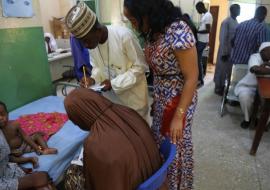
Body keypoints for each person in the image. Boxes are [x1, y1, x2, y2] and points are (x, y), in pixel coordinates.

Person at [124, 0, 198, 189]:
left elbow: (192, 77)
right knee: (160, 141)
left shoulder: (178, 30)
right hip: (161, 96)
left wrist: (178, 116)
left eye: (133, 19)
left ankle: (177, 185)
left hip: (178, 99)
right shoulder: (153, 31)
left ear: (147, 12)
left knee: (175, 144)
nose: (132, 24)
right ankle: (164, 183)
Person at [64, 88, 163, 190]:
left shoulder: (95, 144)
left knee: (71, 179)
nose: (76, 123)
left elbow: (98, 182)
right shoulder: (128, 111)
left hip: (135, 184)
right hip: (154, 179)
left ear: (80, 116)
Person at [65, 2, 149, 120]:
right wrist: (93, 79)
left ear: (98, 30)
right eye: (82, 42)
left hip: (133, 102)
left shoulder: (124, 36)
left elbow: (141, 67)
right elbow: (97, 67)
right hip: (112, 102)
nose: (86, 45)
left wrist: (113, 83)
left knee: (138, 135)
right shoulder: (92, 44)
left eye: (86, 41)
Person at [0, 101, 57, 169]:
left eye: (2, 114)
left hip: (24, 144)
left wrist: (36, 148)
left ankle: (45, 149)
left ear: (7, 114)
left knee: (37, 135)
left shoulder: (15, 124)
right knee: (9, 159)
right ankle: (30, 159)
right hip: (13, 152)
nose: (0, 118)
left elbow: (25, 137)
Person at [234, 42, 270, 129]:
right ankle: (248, 119)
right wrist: (262, 68)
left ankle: (263, 122)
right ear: (262, 51)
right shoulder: (255, 57)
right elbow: (255, 69)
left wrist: (264, 67)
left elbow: (261, 69)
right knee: (244, 97)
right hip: (249, 86)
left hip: (266, 89)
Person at [214, 4, 240, 95]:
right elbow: (223, 37)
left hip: (231, 50)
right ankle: (218, 88)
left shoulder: (236, 21)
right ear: (232, 10)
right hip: (224, 50)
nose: (239, 11)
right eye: (238, 9)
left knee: (228, 70)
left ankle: (224, 87)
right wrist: (224, 53)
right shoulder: (226, 22)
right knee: (221, 69)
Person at [196, 1, 213, 86]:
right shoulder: (204, 15)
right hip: (201, 40)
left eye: (197, 9)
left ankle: (200, 79)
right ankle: (199, 78)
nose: (197, 11)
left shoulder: (208, 15)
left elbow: (208, 30)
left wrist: (197, 31)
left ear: (201, 7)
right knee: (198, 59)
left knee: (198, 60)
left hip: (202, 41)